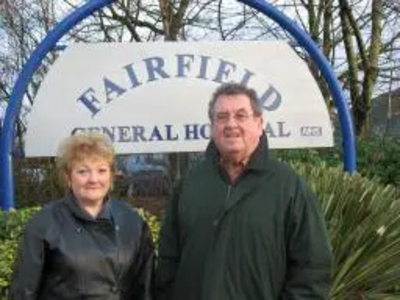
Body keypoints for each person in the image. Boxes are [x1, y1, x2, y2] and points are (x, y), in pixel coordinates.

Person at [155, 83, 332, 300]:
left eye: (241, 115)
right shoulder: (189, 184)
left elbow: (313, 268)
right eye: (222, 117)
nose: (231, 124)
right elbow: (167, 261)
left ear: (259, 123)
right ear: (212, 126)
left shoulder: (289, 186)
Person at [10, 132, 154, 300]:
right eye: (83, 171)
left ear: (111, 175)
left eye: (101, 170)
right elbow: (23, 291)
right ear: (68, 177)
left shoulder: (132, 222)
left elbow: (146, 288)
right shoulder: (44, 224)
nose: (93, 179)